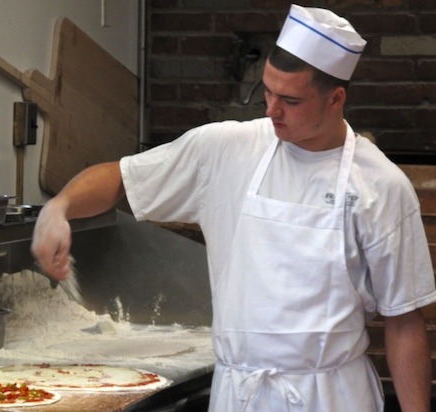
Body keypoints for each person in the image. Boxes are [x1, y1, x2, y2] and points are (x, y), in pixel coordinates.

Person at [31, 4, 436, 411]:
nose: (271, 110)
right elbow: (120, 177)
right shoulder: (227, 149)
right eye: (268, 92)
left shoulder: (380, 187)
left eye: (291, 101)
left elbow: (404, 322)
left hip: (330, 396)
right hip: (239, 394)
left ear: (335, 99)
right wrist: (60, 207)